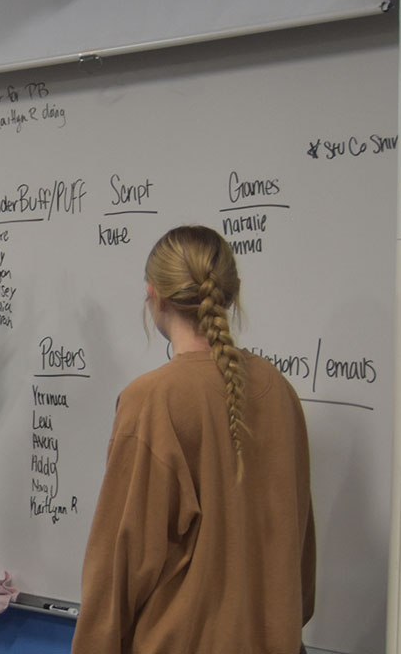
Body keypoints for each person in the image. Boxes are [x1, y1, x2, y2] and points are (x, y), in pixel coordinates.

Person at [71, 225, 315, 654]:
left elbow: (120, 562)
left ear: (155, 295)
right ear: (231, 294)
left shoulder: (154, 399)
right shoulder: (278, 389)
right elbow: (300, 545)